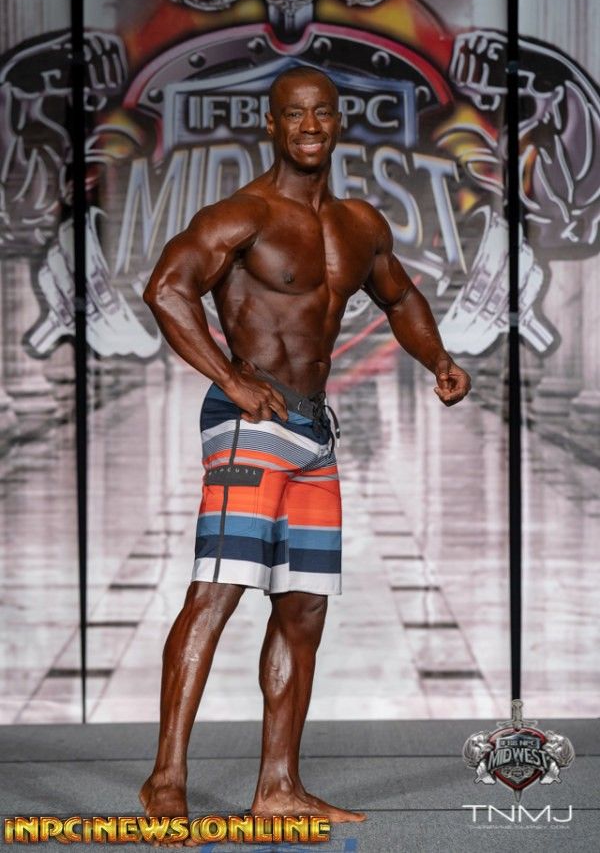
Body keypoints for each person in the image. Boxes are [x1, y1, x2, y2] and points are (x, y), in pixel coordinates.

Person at [140, 65, 471, 827]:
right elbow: (166, 287)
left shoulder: (358, 224)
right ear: (272, 124)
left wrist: (439, 359)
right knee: (216, 593)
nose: (311, 126)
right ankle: (165, 782)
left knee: (303, 609)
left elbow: (400, 296)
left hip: (315, 433)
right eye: (295, 114)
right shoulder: (243, 215)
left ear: (338, 119)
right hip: (250, 422)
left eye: (322, 112)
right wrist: (230, 376)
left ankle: (277, 788)